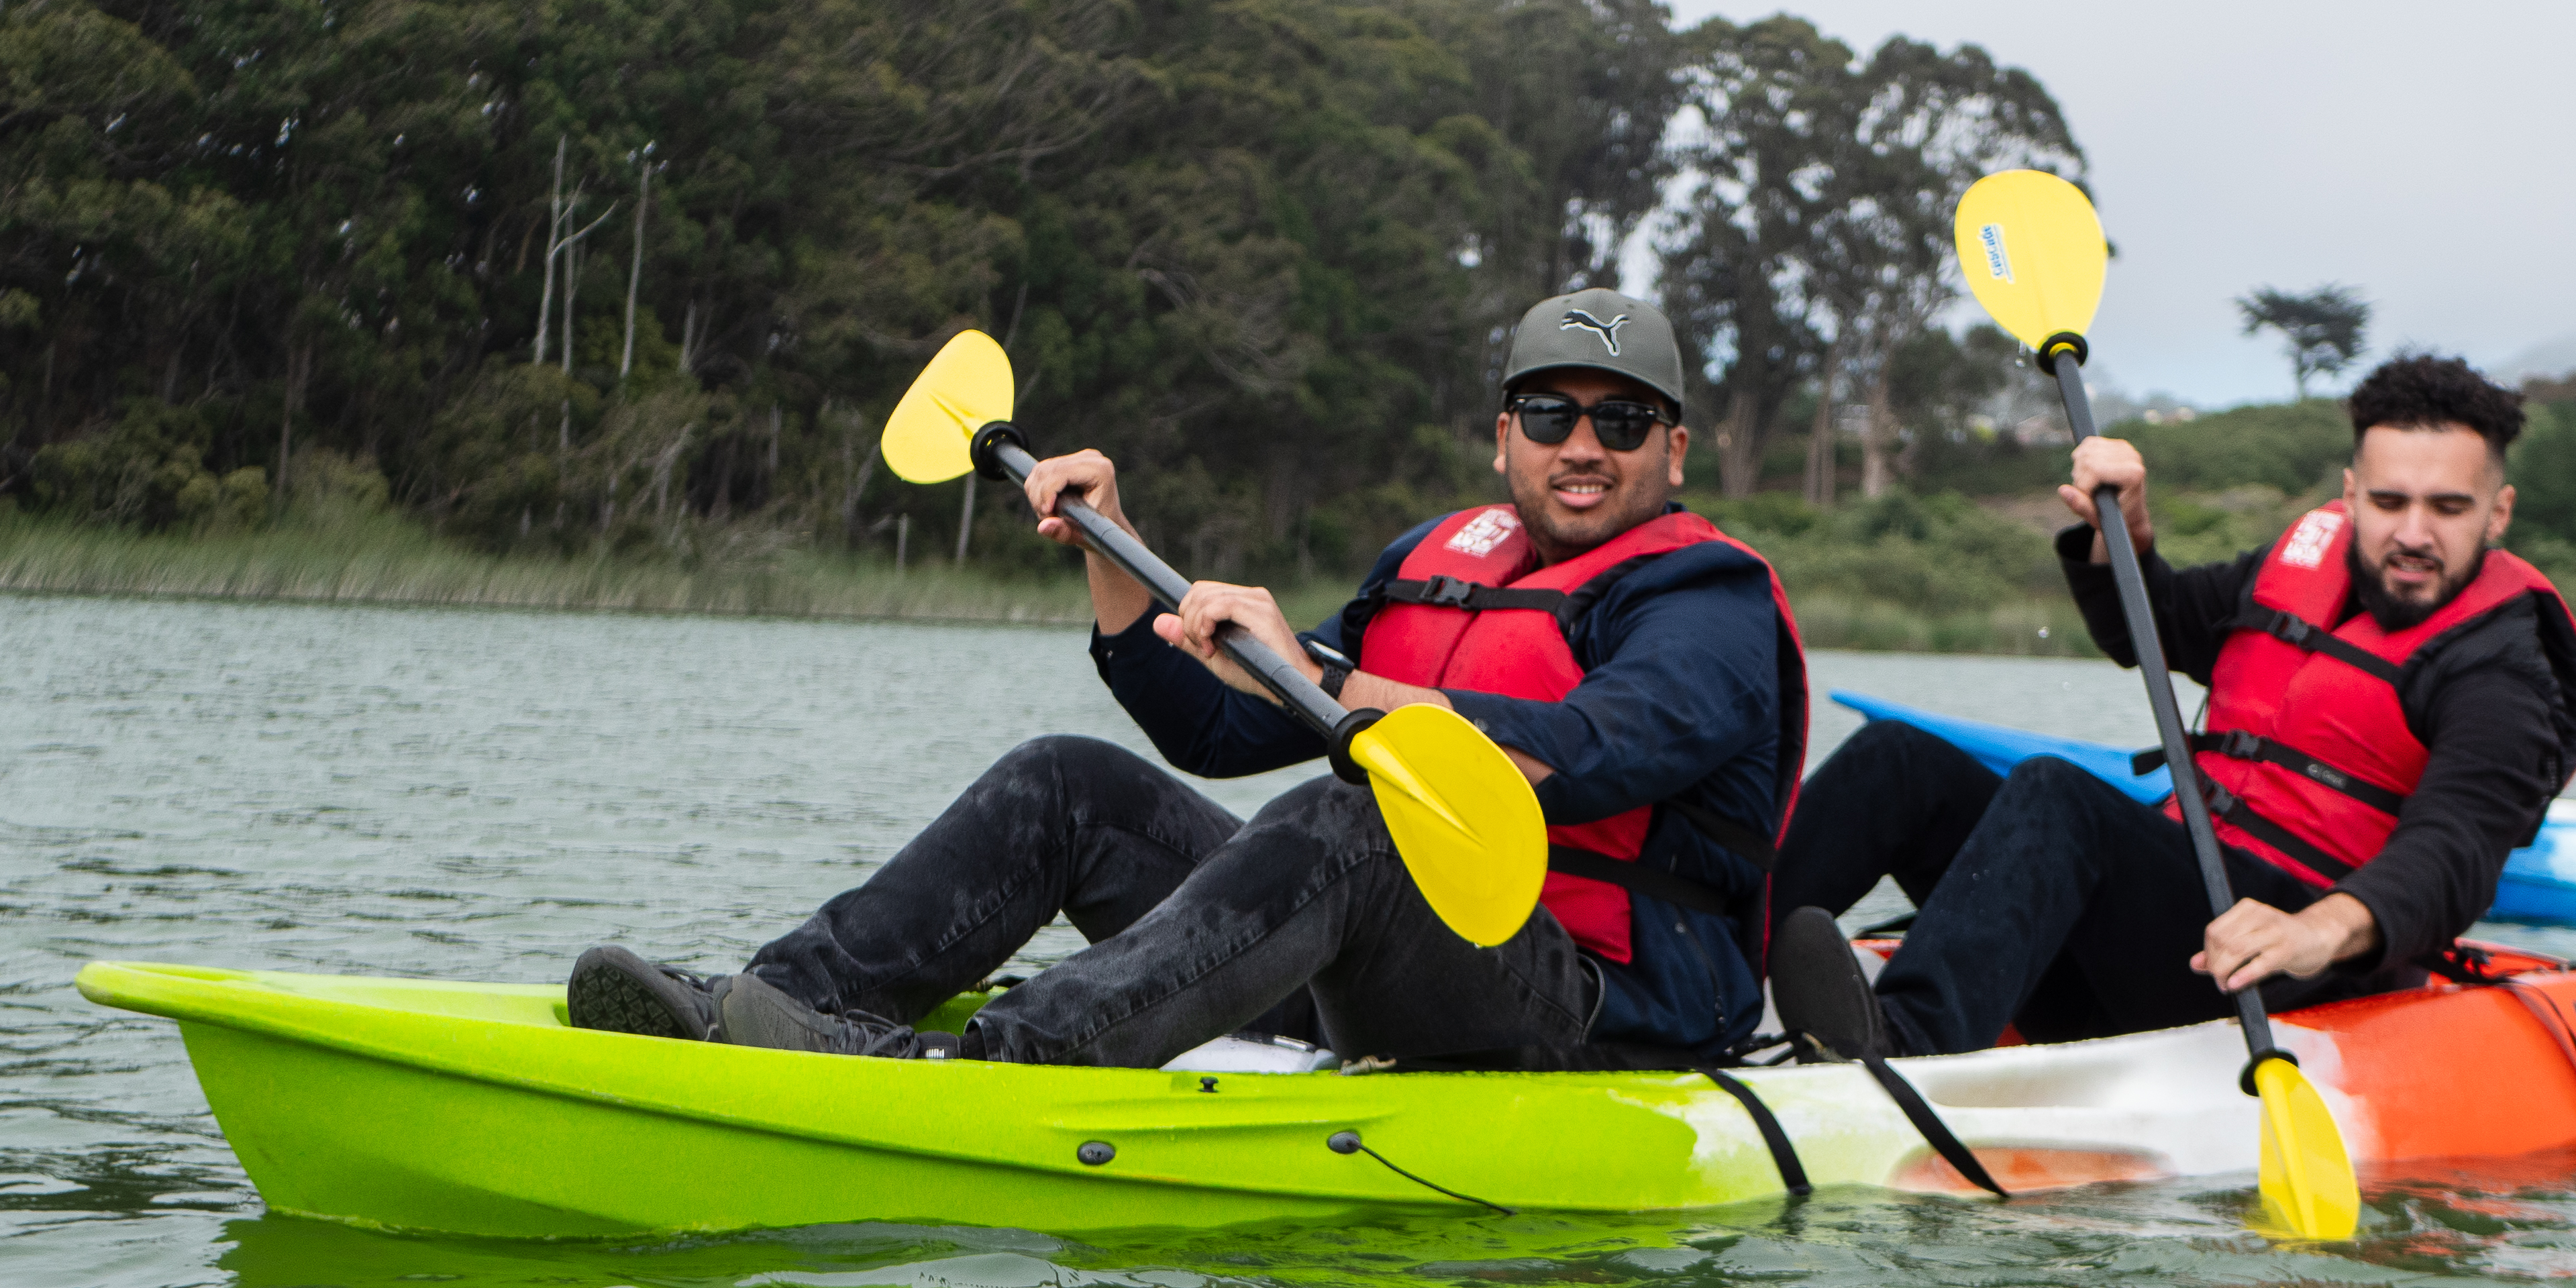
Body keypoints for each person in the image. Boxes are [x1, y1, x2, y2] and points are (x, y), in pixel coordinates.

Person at [566, 292, 1806, 1069]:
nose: (1581, 444)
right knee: (1071, 784)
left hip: (1587, 1003)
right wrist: (1115, 553)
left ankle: (1008, 1069)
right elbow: (1213, 732)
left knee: (1353, 817)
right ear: (1502, 436)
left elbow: (1584, 749)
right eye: (1548, 413)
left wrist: (1320, 675)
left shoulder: (1707, 602)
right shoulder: (1432, 566)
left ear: (1674, 448)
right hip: (1386, 970)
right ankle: (779, 1004)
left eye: (1621, 420)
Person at [1768, 354, 2576, 1060]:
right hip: (2168, 923)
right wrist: (2122, 531)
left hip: (2283, 975)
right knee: (1899, 760)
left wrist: (2319, 931)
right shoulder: (2304, 562)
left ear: (2499, 511)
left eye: (2448, 508)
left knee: (2062, 797)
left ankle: (1906, 1051)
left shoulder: (2505, 674)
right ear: (2351, 492)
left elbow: (2455, 856)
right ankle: (1701, 964)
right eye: (2389, 502)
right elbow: (2156, 627)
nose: (2413, 532)